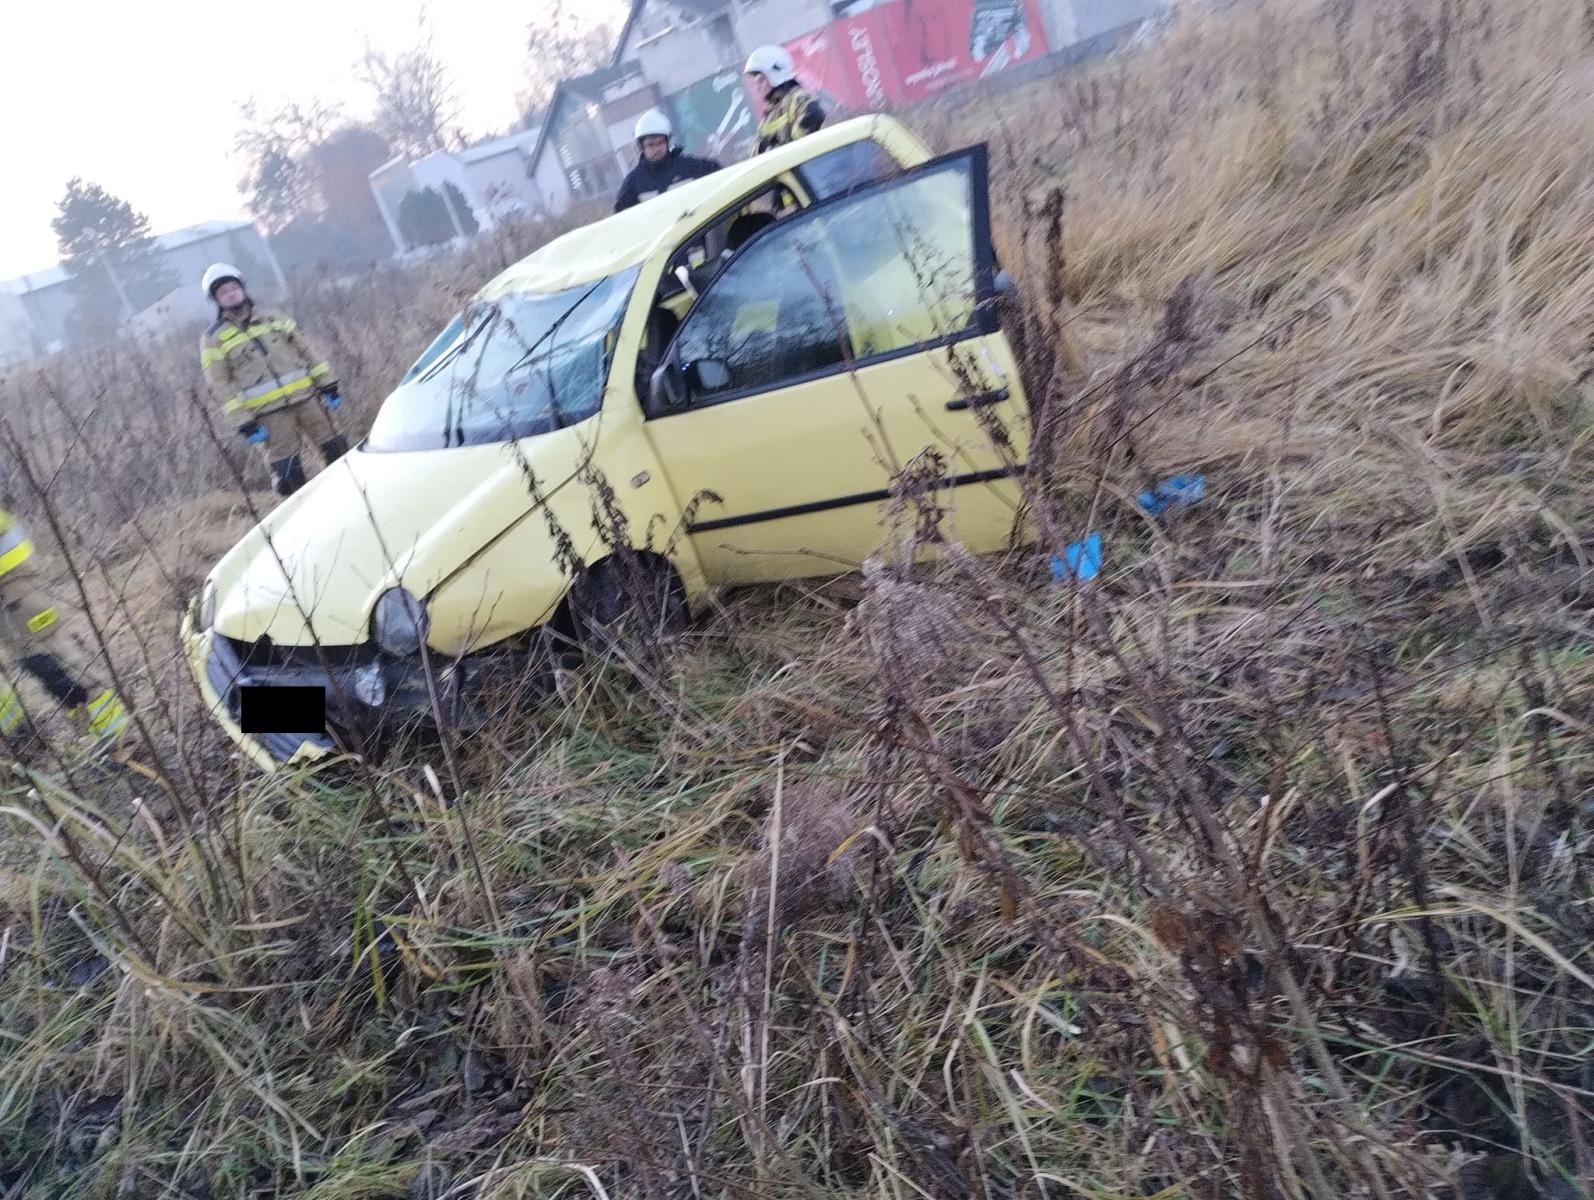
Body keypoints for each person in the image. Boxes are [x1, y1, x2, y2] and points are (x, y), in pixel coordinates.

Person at [0, 461, 129, 749]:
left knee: (58, 667)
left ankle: (118, 741)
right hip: (11, 599)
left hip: (17, 591)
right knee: (43, 671)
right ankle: (29, 744)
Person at [198, 264, 348, 498]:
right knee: (288, 476)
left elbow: (306, 351)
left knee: (338, 450)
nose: (230, 293)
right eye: (223, 292)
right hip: (269, 415)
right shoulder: (213, 339)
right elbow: (219, 384)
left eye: (233, 287)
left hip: (307, 399)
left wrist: (328, 384)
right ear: (216, 300)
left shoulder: (273, 317)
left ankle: (351, 495)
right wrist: (243, 422)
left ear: (242, 288)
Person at [614, 110, 721, 212]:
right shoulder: (633, 183)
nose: (656, 149)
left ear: (667, 143)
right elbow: (622, 218)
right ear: (641, 147)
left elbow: (721, 177)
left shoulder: (689, 167)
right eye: (650, 145)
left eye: (660, 143)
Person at [744, 46, 826, 154]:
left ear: (776, 74)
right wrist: (765, 145)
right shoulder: (769, 113)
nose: (758, 87)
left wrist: (775, 145)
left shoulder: (796, 98)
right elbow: (753, 153)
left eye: (761, 80)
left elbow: (804, 137)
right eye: (755, 83)